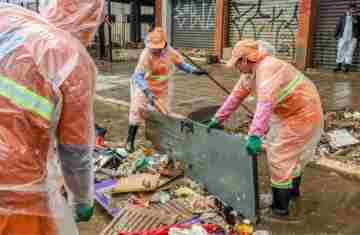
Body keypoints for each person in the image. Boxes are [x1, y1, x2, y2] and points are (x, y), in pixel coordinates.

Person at [0, 0, 104, 234]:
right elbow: (74, 150)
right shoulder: (69, 55)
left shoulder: (8, 20)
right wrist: (81, 199)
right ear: (90, 17)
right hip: (14, 185)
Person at [207, 40, 323, 219]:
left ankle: (280, 209)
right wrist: (217, 119)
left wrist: (254, 135)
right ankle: (291, 193)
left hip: (303, 113)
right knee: (287, 156)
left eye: (237, 63)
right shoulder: (249, 73)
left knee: (280, 157)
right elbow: (235, 97)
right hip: (285, 113)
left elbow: (265, 103)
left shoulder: (268, 67)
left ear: (245, 60)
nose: (236, 67)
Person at [126, 27, 208, 153]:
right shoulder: (146, 55)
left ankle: (161, 141)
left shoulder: (170, 52)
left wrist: (194, 71)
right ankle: (129, 141)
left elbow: (181, 65)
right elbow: (138, 76)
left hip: (163, 86)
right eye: (154, 48)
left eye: (158, 48)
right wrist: (147, 93)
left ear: (163, 45)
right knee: (137, 110)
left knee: (163, 114)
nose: (156, 50)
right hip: (144, 86)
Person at [334, 3, 360, 73]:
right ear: (348, 9)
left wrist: (357, 23)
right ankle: (338, 66)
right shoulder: (342, 17)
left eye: (354, 9)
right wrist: (335, 34)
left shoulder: (357, 17)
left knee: (350, 52)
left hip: (353, 38)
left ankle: (346, 67)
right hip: (343, 37)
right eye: (352, 9)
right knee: (340, 50)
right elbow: (338, 25)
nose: (353, 10)